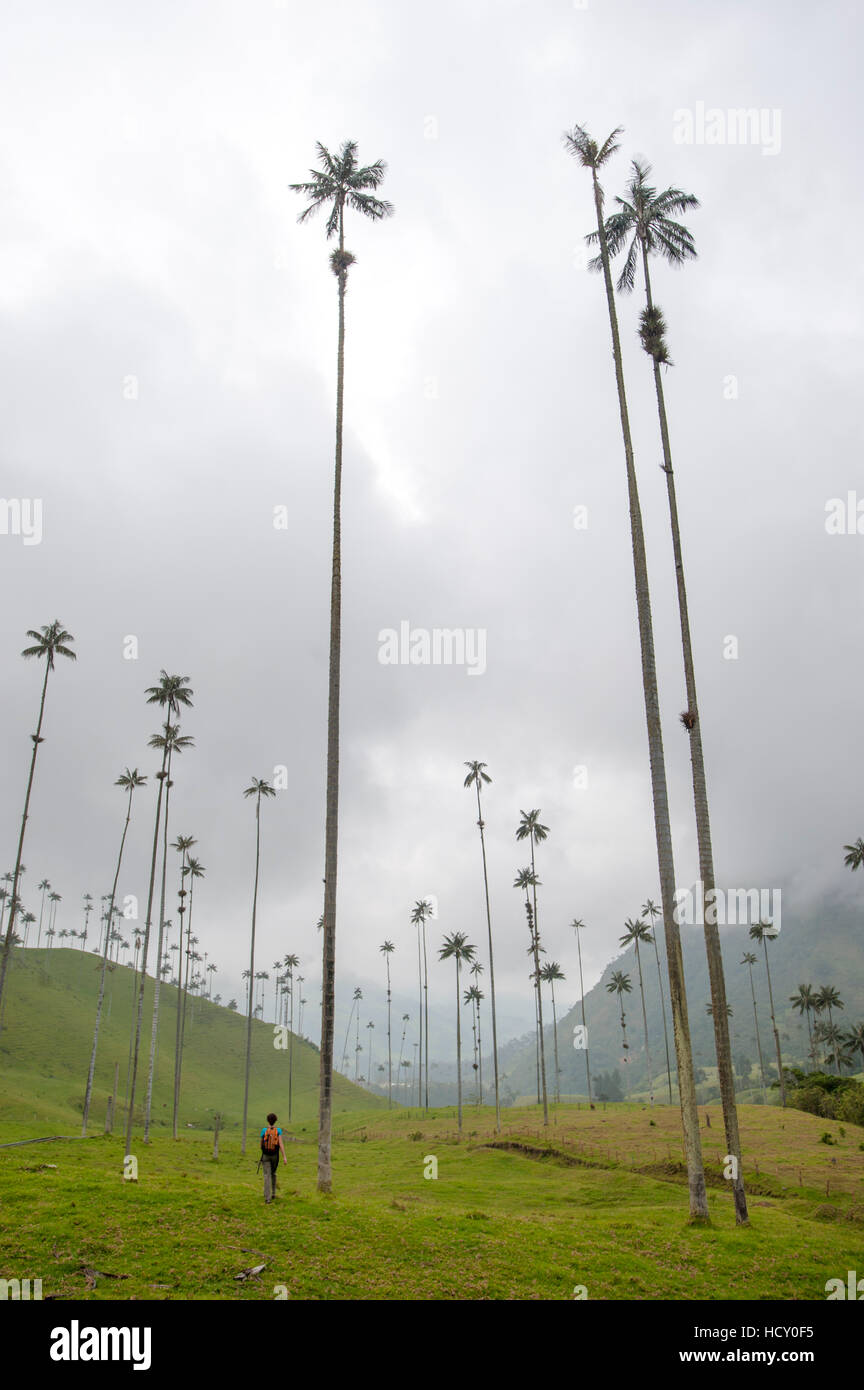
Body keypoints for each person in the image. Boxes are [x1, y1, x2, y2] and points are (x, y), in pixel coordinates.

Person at [260, 1112, 287, 1203]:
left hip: (266, 1155)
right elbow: (281, 1144)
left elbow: (261, 1144)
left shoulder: (264, 1130)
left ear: (267, 1120)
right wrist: (284, 1157)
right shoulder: (278, 1131)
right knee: (273, 1173)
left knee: (266, 1175)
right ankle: (273, 1193)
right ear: (275, 1121)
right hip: (275, 1156)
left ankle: (267, 1198)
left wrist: (264, 1151)